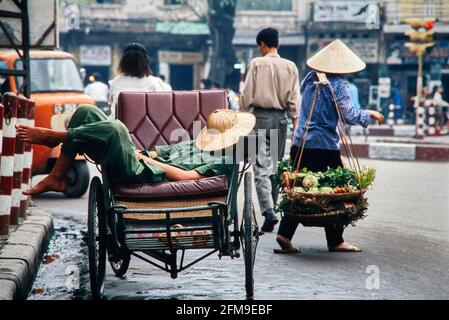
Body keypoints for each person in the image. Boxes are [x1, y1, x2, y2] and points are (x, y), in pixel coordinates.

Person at [275, 39, 384, 254]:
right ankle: (336, 240)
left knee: (298, 188)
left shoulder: (310, 78)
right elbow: (349, 116)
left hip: (301, 142)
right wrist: (369, 114)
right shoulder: (339, 84)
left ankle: (284, 234)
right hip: (324, 146)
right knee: (338, 189)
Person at [15, 106, 255, 195]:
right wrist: (138, 152)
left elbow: (185, 177)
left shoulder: (227, 161)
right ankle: (56, 177)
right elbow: (158, 153)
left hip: (146, 174)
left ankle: (54, 137)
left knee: (116, 127)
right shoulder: (194, 144)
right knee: (85, 112)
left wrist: (141, 158)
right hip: (138, 162)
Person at [240, 27, 300, 232]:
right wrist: (295, 129)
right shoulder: (291, 66)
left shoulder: (257, 63)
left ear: (263, 45)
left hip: (261, 119)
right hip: (282, 120)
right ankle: (271, 211)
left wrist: (241, 119)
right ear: (278, 44)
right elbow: (294, 101)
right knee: (274, 167)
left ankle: (268, 211)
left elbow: (246, 96)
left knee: (260, 166)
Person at [108, 43, 166, 119]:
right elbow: (161, 110)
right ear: (146, 62)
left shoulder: (115, 82)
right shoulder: (155, 83)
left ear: (123, 62)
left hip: (121, 128)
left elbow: (111, 108)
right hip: (148, 128)